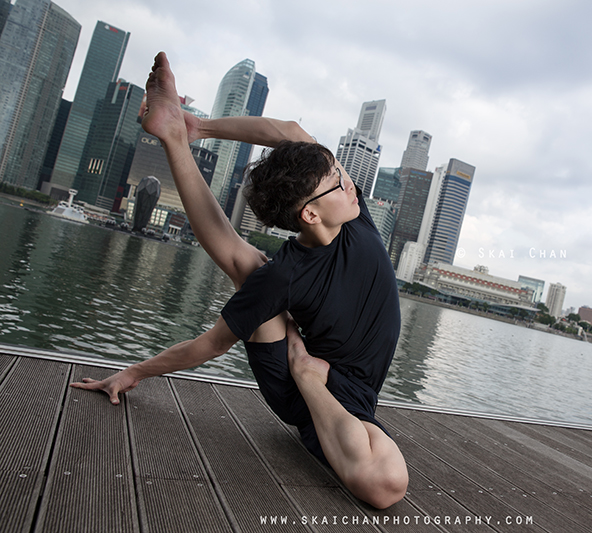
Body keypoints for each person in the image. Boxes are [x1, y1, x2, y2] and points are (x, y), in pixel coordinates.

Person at [71, 52, 408, 509]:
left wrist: (198, 126)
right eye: (338, 182)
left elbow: (289, 132)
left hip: (352, 389)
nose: (350, 185)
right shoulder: (285, 274)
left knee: (253, 267)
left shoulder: (353, 217)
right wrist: (133, 372)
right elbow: (209, 345)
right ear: (309, 214)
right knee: (385, 486)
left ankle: (176, 130)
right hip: (300, 391)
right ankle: (308, 380)